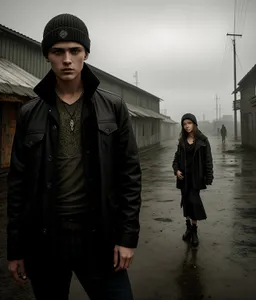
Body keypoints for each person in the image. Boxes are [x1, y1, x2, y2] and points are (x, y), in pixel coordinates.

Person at [6, 13, 142, 300]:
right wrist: (16, 249)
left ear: (86, 54)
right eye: (58, 52)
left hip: (100, 239)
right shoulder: (30, 113)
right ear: (47, 56)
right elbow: (18, 186)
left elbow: (129, 175)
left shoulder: (113, 107)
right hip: (46, 243)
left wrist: (126, 238)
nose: (67, 59)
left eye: (74, 50)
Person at [172, 113, 213, 247]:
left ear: (194, 124)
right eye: (184, 124)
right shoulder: (181, 141)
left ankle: (194, 231)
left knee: (194, 202)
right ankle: (188, 228)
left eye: (189, 123)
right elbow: (176, 160)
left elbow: (208, 160)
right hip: (184, 177)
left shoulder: (203, 141)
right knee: (186, 203)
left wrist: (208, 176)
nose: (187, 126)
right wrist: (176, 170)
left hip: (196, 177)